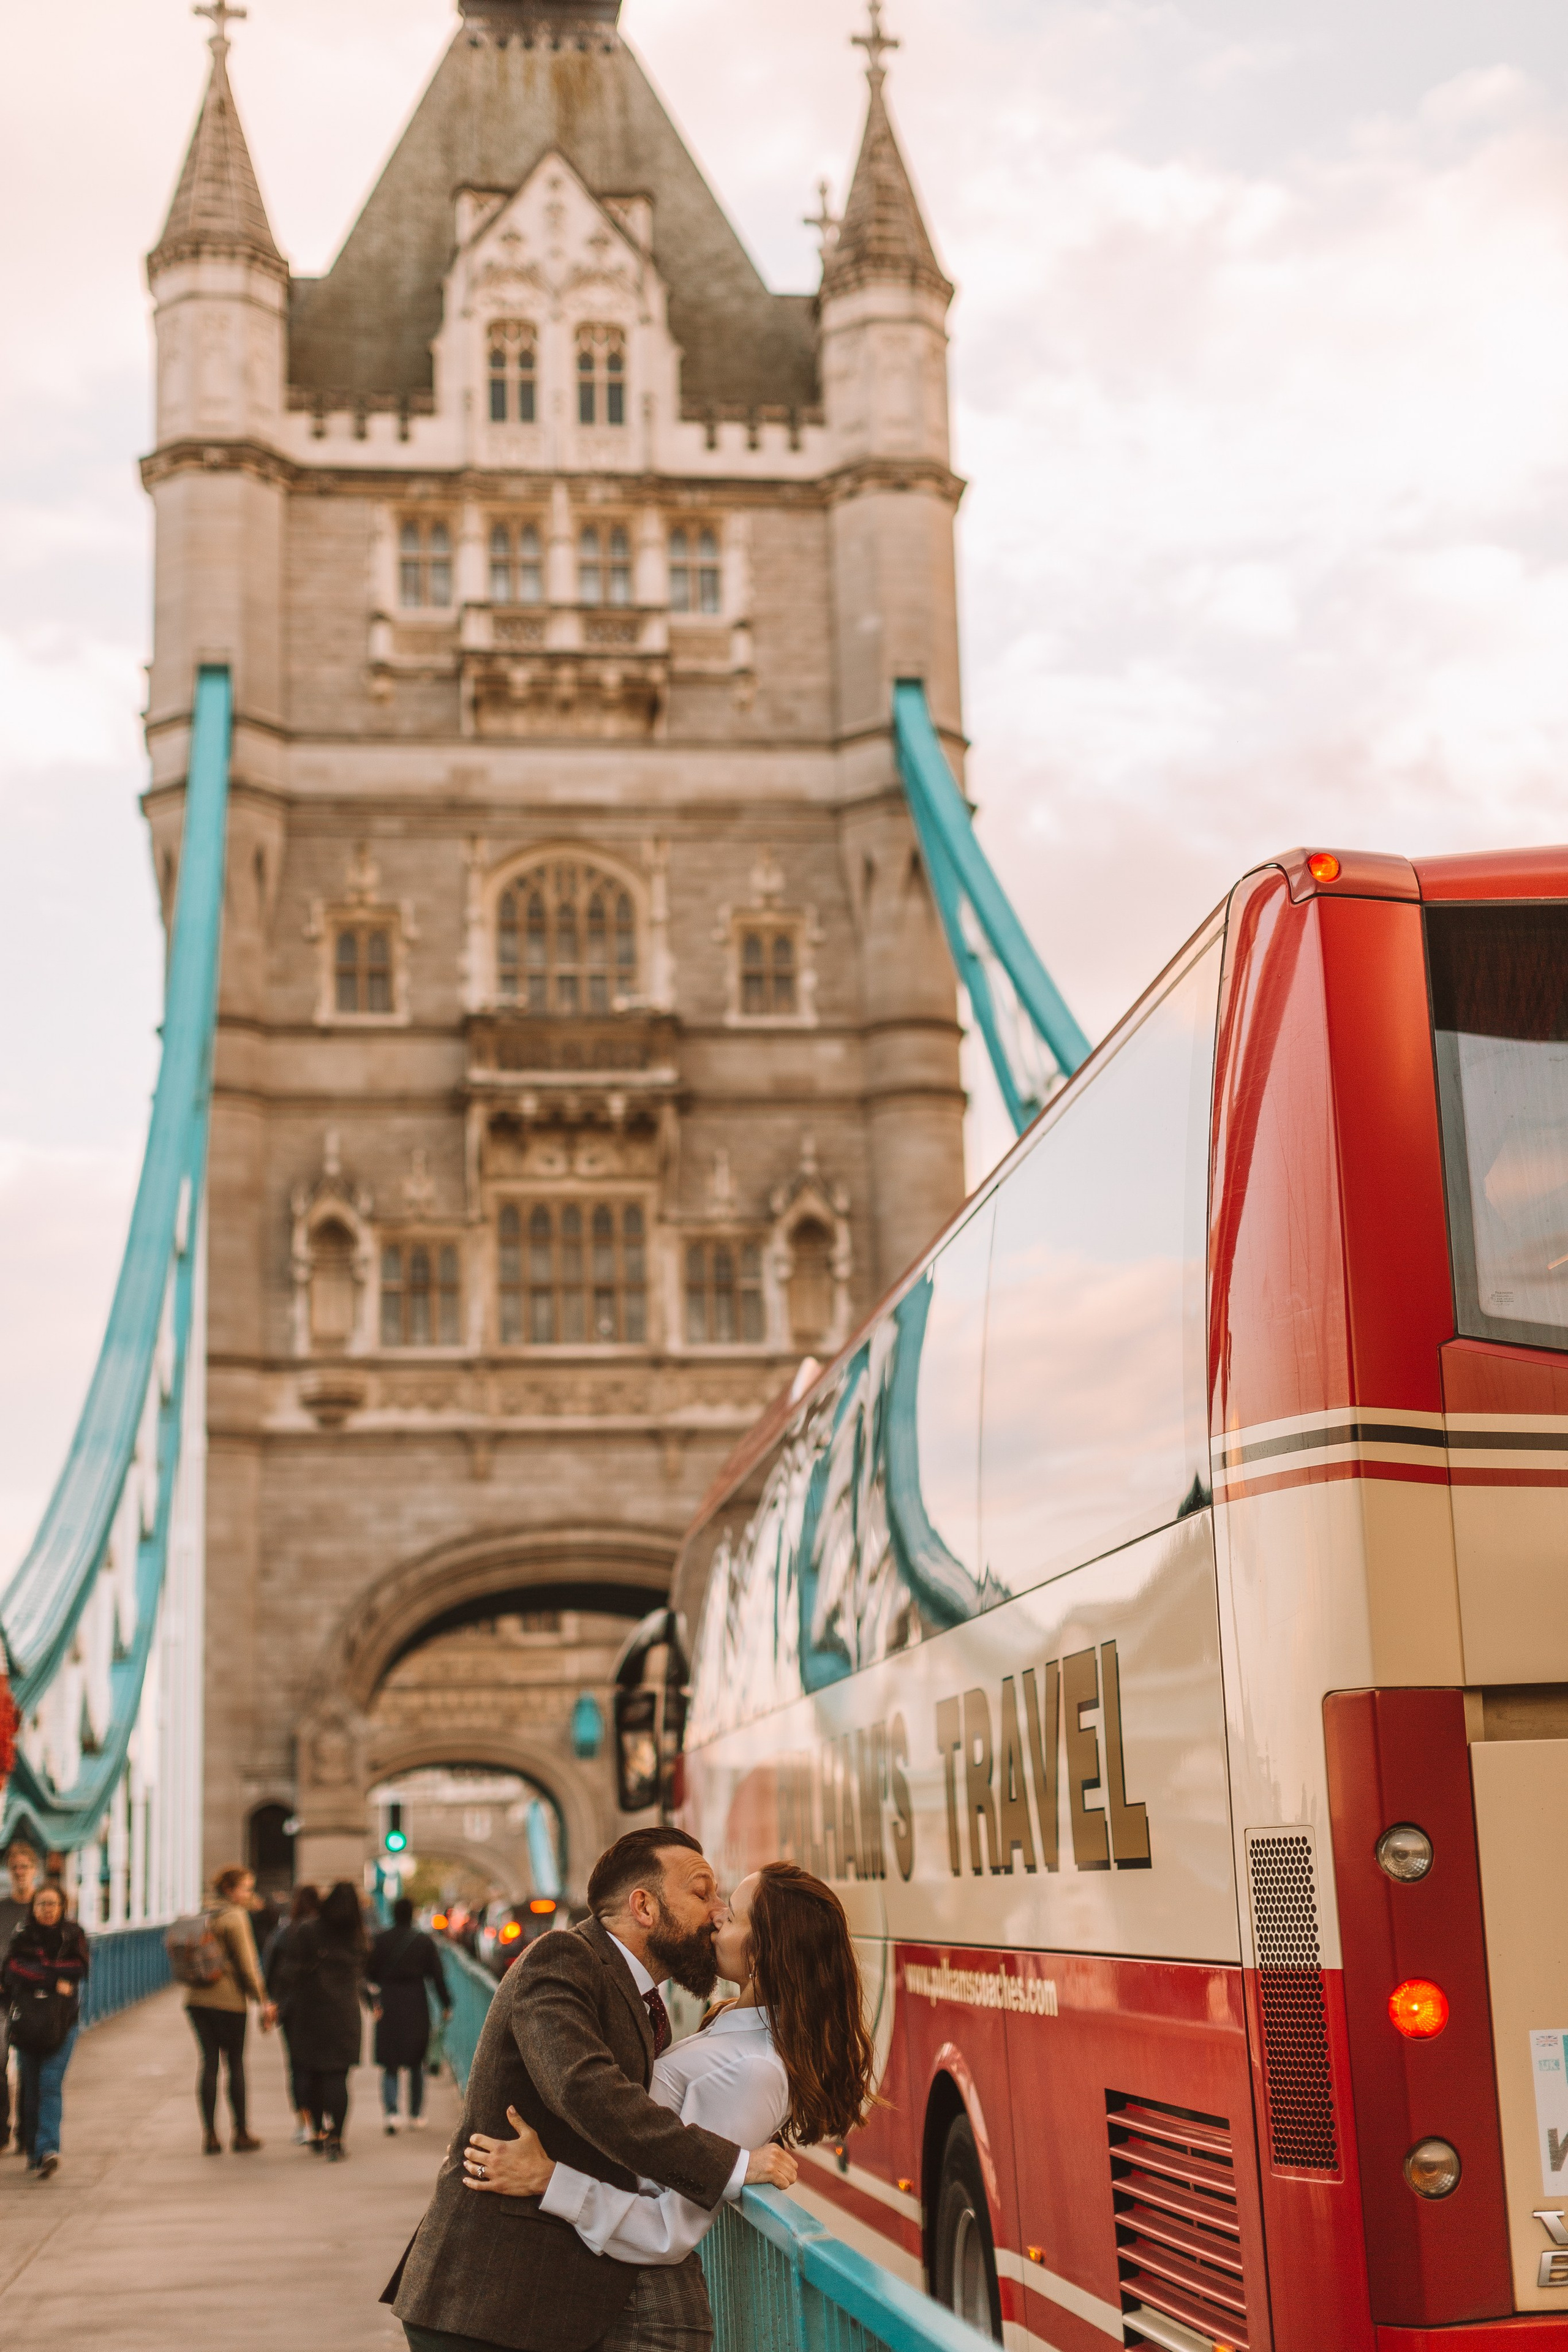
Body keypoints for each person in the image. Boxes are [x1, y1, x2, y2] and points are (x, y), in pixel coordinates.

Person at [383, 1826, 798, 2352]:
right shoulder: (564, 1957)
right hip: (487, 2303)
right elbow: (582, 2087)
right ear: (644, 1907)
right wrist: (731, 2165)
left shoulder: (637, 1995)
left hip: (529, 2308)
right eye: (702, 1892)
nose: (716, 1912)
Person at [464, 1863, 874, 2288]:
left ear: (761, 1954)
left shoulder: (755, 2072)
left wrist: (548, 2179)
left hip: (613, 2294)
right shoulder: (731, 2025)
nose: (716, 1917)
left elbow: (667, 2232)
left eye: (731, 1916)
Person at [1, 1880, 90, 2179]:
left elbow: (79, 1969)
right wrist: (53, 1979)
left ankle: (49, 2149)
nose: (47, 1910)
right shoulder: (23, 1934)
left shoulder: (73, 1934)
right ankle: (33, 2149)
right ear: (33, 1907)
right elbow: (14, 1969)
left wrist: (40, 1971)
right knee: (31, 2086)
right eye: (42, 1904)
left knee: (50, 2082)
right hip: (27, 2021)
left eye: (53, 1904)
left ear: (63, 1906)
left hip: (62, 2021)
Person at [186, 1863, 276, 2154]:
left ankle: (210, 2135)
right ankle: (240, 2133)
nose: (250, 1894)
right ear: (230, 1889)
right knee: (235, 2064)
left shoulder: (204, 1912)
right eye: (246, 1889)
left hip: (197, 2000)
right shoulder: (235, 1917)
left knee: (209, 2063)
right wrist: (262, 1999)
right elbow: (248, 1964)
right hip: (228, 2001)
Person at [275, 1878, 368, 2158]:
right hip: (344, 2013)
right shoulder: (358, 1936)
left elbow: (289, 1970)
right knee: (338, 2078)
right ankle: (337, 2139)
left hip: (309, 2010)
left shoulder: (307, 1929)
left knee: (313, 2074)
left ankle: (316, 2131)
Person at [369, 1896, 451, 2135]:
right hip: (416, 2002)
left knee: (390, 2062)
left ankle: (391, 2113)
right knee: (417, 2061)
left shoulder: (381, 1940)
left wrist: (373, 2000)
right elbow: (437, 1976)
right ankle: (415, 2114)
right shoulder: (423, 1942)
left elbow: (370, 1974)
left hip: (389, 2002)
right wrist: (446, 2003)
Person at [265, 1882, 321, 2144]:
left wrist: (271, 2002)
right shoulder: (325, 1933)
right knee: (323, 2065)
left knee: (298, 2065)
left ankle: (304, 2123)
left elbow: (269, 1970)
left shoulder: (284, 1932)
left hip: (292, 2008)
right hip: (323, 2007)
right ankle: (325, 2120)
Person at [0, 1841, 40, 2156]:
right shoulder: (2, 1907)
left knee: (29, 2065)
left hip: (32, 1996)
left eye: (24, 1867)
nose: (19, 1873)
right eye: (14, 1869)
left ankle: (28, 2133)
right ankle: (2, 2132)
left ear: (34, 1871)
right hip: (1, 1994)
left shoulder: (43, 1907)